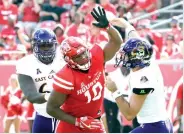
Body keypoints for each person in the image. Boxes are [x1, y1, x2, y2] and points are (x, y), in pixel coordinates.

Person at [46, 6, 122, 133]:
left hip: (94, 122)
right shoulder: (66, 76)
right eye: (78, 56)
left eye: (84, 53)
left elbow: (117, 42)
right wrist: (78, 121)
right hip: (71, 126)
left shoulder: (96, 56)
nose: (85, 58)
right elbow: (51, 108)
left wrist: (108, 27)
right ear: (69, 60)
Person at [106, 17, 173, 133]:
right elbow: (136, 39)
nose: (123, 57)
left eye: (126, 55)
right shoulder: (146, 59)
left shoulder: (144, 79)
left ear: (135, 58)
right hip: (160, 123)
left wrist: (114, 91)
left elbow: (129, 114)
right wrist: (127, 25)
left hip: (155, 127)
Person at [16, 28, 66, 133]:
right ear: (35, 47)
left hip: (67, 116)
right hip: (43, 116)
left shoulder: (64, 58)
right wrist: (51, 96)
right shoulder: (25, 64)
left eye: (49, 45)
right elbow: (31, 95)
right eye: (43, 46)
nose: (47, 49)